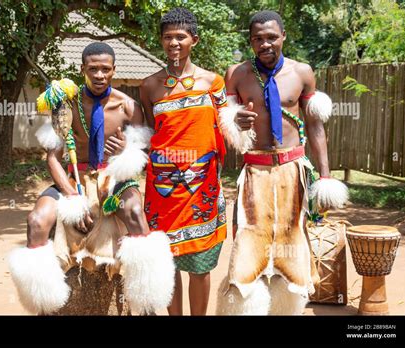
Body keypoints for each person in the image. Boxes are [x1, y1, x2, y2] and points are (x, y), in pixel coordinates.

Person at [9, 42, 175, 315]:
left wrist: (125, 152)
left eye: (105, 69)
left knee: (135, 213)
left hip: (115, 177)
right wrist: (72, 196)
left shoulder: (128, 106)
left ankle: (147, 300)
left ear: (114, 70)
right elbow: (53, 158)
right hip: (75, 179)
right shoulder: (66, 105)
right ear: (82, 69)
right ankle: (45, 301)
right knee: (36, 221)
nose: (99, 75)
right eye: (93, 69)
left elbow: (140, 154)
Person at [216, 10, 348, 315]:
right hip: (255, 171)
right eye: (258, 39)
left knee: (292, 241)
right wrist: (235, 122)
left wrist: (325, 180)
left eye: (271, 37)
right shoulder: (237, 74)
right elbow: (223, 125)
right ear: (250, 41)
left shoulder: (302, 72)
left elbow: (315, 126)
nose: (265, 44)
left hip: (293, 171)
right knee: (248, 242)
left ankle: (286, 309)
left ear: (284, 36)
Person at [140, 8, 228, 316]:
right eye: (167, 37)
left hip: (202, 185)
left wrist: (240, 124)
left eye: (181, 36)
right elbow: (148, 135)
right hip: (162, 189)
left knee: (200, 264)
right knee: (168, 262)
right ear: (161, 41)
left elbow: (227, 129)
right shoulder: (149, 86)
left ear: (195, 39)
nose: (173, 43)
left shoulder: (213, 83)